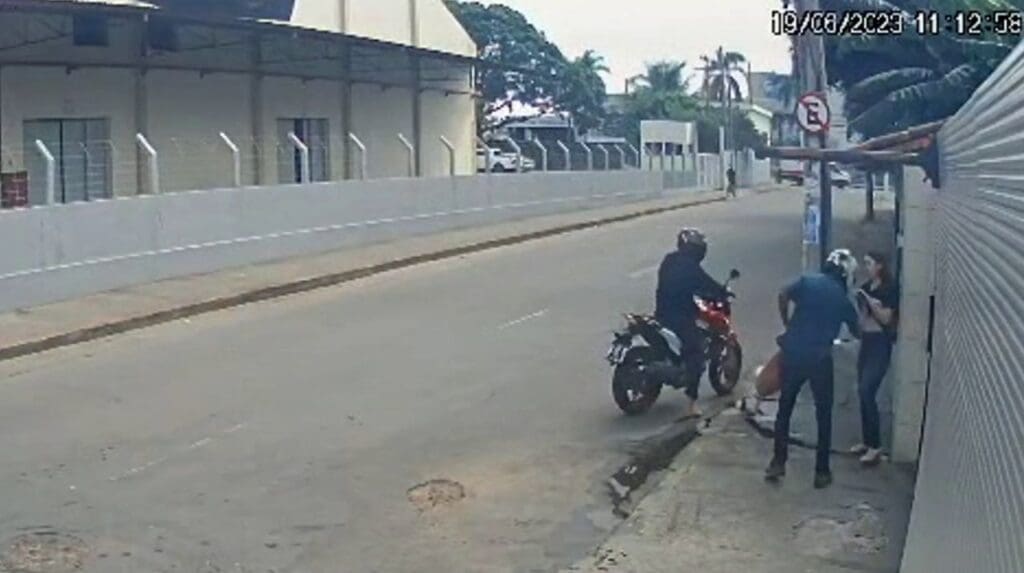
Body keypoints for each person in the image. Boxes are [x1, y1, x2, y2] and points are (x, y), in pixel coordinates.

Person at [765, 248, 860, 489]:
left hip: (793, 352)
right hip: (819, 359)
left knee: (785, 408)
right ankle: (821, 471)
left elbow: (783, 293)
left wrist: (788, 323)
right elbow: (858, 330)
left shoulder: (807, 281)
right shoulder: (842, 298)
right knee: (823, 414)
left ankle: (778, 461)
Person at [655, 228, 732, 418]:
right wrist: (723, 292)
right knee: (696, 355)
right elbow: (707, 285)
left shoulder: (669, 260)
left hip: (661, 314)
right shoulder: (691, 268)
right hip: (680, 317)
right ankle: (691, 405)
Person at [850, 251, 899, 466]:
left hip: (880, 343)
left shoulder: (889, 289)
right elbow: (861, 321)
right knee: (861, 389)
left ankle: (876, 445)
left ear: (880, 266)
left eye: (869, 263)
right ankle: (867, 440)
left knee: (868, 389)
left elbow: (887, 318)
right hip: (867, 342)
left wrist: (871, 303)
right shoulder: (867, 286)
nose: (866, 267)